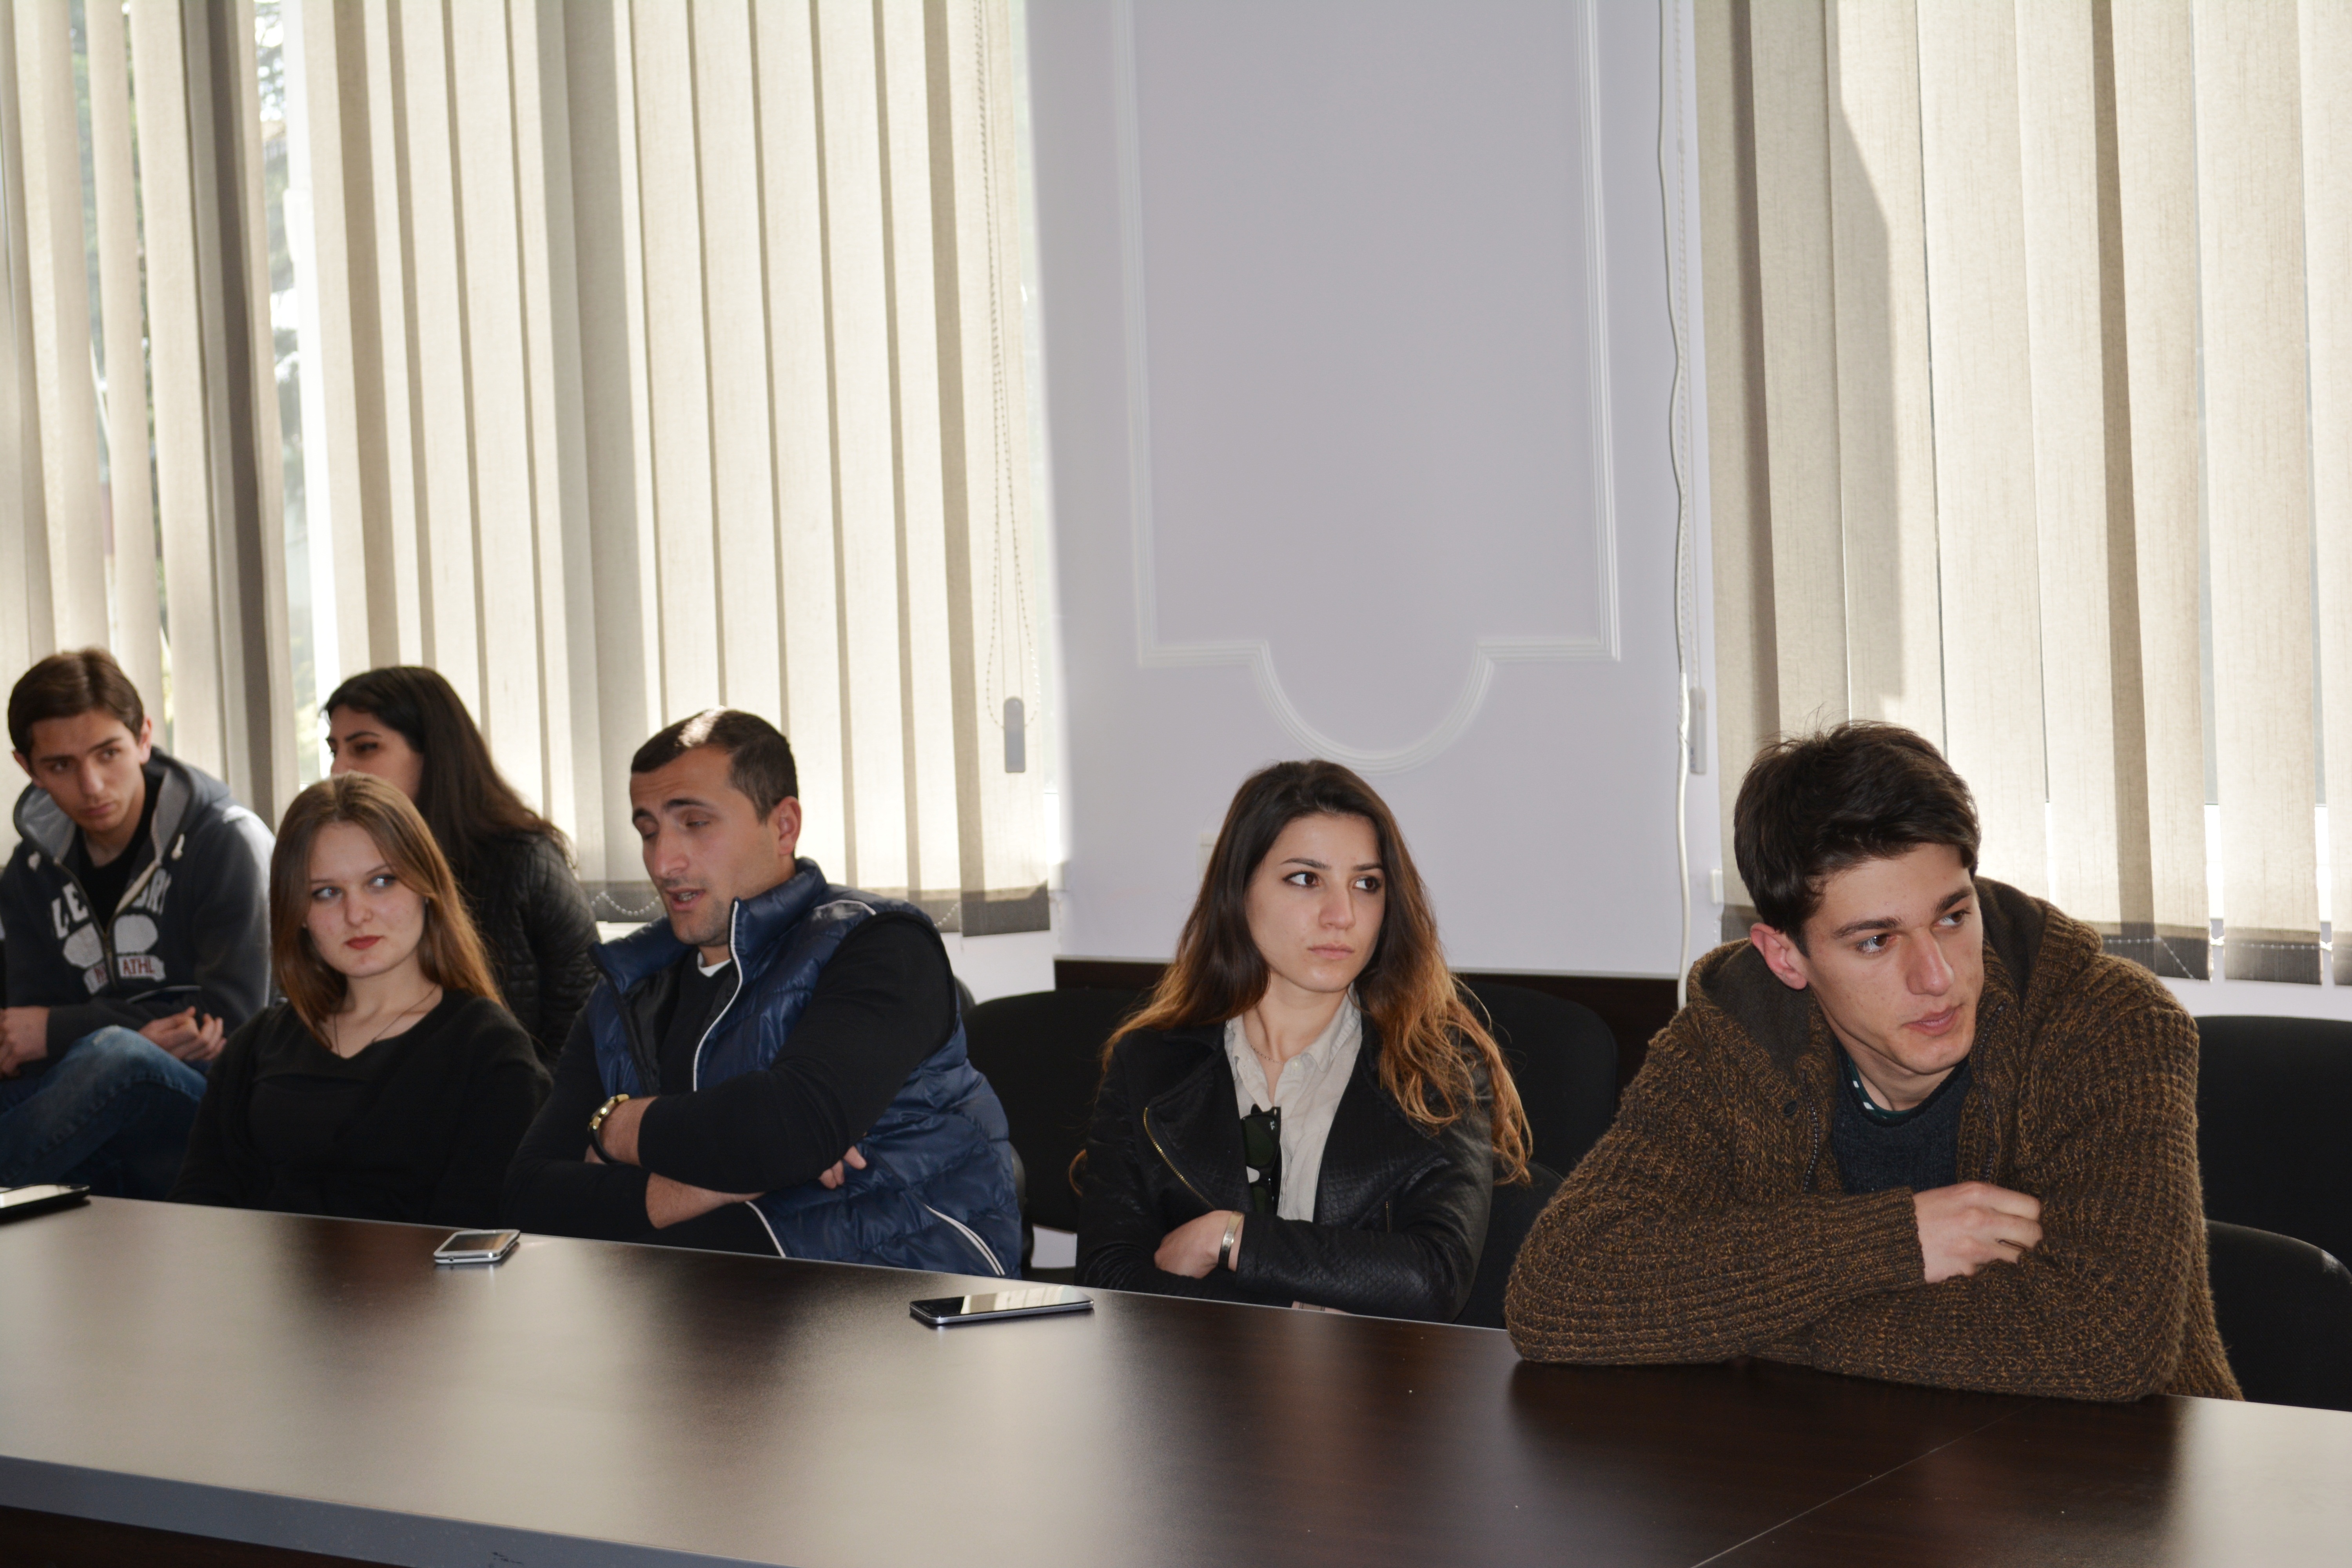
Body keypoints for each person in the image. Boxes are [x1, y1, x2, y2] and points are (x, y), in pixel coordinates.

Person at [1507, 722, 2239, 1401]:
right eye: (1875, 942)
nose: (1938, 977)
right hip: (1840, 1467)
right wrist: (1893, 1240)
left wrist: (1742, 1324)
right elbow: (1559, 1291)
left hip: (2127, 1477)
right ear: (1786, 957)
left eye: (1953, 917)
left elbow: (2106, 1342)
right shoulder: (1728, 1042)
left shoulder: (2107, 1022)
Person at [503, 709, 1020, 1274]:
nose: (664, 862)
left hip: (902, 1285)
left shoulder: (880, 943)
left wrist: (615, 1128)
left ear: (784, 826)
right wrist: (716, 1182)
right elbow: (530, 1196)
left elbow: (788, 1132)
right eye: (648, 832)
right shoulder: (626, 987)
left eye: (695, 823)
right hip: (697, 1291)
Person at [1076, 760, 1531, 1320]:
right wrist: (1299, 1307)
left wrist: (1230, 1237)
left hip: (1376, 1378)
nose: (1342, 915)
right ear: (1239, 890)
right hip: (1193, 1374)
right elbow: (1109, 1279)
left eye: (1366, 884)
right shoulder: (1148, 1062)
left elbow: (1433, 1277)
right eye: (1306, 879)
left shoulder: (1438, 1068)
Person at [173, 774, 546, 1227]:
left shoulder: (489, 1051)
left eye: (382, 881)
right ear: (299, 912)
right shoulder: (255, 1046)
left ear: (427, 886)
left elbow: (476, 1238)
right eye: (326, 893)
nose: (356, 914)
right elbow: (199, 1215)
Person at [0, 649, 272, 1198]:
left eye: (109, 753)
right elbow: (27, 1040)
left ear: (144, 738)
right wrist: (108, 1034)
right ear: (28, 768)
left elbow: (232, 1019)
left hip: (222, 1100)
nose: (93, 785)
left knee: (117, 1057)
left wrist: (81, 1032)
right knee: (103, 1061)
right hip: (91, 1102)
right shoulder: (30, 873)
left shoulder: (225, 841)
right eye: (61, 766)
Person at [323, 666, 596, 1070]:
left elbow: (584, 1025)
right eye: (334, 751)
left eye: (364, 748)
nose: (339, 770)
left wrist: (522, 1098)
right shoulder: (337, 866)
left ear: (433, 754)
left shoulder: (524, 861)